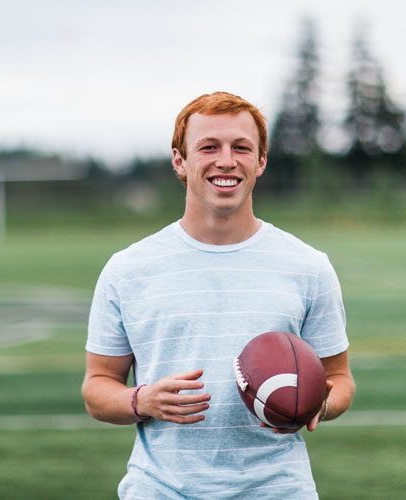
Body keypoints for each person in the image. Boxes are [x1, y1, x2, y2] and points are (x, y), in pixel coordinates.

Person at [82, 91, 355, 499]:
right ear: (180, 160)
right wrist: (143, 400)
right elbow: (97, 386)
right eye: (208, 147)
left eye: (241, 148)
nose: (226, 160)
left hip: (279, 490)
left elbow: (340, 379)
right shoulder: (128, 269)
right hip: (160, 489)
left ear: (260, 161)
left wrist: (318, 405)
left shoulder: (307, 266)